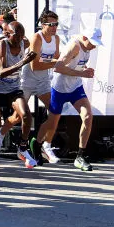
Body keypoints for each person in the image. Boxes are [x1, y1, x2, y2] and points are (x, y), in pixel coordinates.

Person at [37, 28, 101, 171]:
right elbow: (58, 67)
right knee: (52, 122)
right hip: (59, 88)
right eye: (92, 43)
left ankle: (80, 156)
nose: (94, 46)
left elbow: (76, 64)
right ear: (85, 37)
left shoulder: (87, 46)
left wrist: (84, 69)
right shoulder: (74, 46)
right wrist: (81, 73)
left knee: (88, 116)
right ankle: (36, 145)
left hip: (75, 87)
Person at [0, 21, 38, 173]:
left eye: (22, 35)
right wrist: (23, 62)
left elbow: (30, 43)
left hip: (13, 88)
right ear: (7, 34)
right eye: (17, 36)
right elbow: (1, 72)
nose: (20, 39)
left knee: (26, 115)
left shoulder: (23, 42)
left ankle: (22, 147)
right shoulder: (3, 45)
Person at [29, 10, 62, 163]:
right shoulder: (37, 37)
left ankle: (44, 145)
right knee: (19, 117)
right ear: (43, 25)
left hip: (43, 81)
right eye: (51, 24)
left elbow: (57, 60)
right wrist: (56, 62)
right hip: (26, 80)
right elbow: (34, 66)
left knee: (55, 112)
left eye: (56, 24)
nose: (54, 27)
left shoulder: (56, 39)